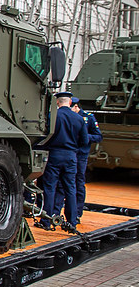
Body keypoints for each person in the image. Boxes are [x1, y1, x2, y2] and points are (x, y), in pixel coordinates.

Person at [36, 92, 88, 232]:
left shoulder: (53, 116)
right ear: (70, 102)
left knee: (49, 188)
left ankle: (46, 220)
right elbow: (85, 141)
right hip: (71, 156)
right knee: (70, 188)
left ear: (57, 102)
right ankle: (72, 222)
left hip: (54, 155)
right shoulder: (79, 118)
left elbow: (45, 136)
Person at [70, 96, 102, 219]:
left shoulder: (88, 117)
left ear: (76, 106)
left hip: (81, 154)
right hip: (70, 152)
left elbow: (98, 136)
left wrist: (85, 137)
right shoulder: (68, 116)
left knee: (79, 182)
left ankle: (78, 211)